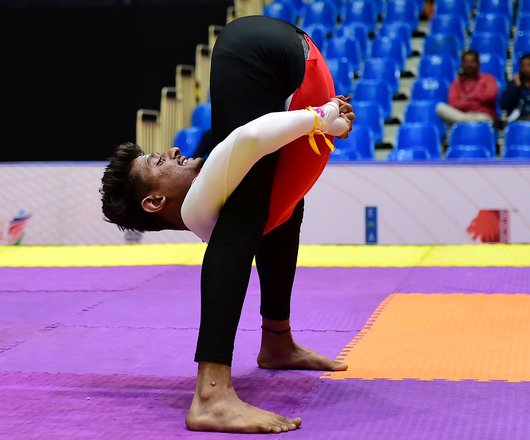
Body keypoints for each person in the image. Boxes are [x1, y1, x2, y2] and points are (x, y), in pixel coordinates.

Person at [100, 16, 355, 434]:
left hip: (275, 61)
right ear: (154, 201)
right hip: (257, 54)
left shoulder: (212, 199)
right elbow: (247, 139)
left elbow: (260, 139)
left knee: (276, 212)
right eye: (157, 161)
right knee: (248, 215)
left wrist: (325, 117)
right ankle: (211, 394)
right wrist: (323, 116)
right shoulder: (204, 202)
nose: (172, 149)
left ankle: (276, 340)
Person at [435, 50, 499, 125]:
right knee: (440, 107)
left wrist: (466, 100)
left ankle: (464, 123)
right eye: (466, 62)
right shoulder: (456, 84)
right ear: (461, 65)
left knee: (482, 118)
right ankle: (466, 121)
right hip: (461, 115)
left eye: (472, 62)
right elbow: (453, 103)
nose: (469, 65)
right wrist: (476, 102)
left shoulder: (489, 79)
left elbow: (490, 96)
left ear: (478, 64)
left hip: (481, 116)